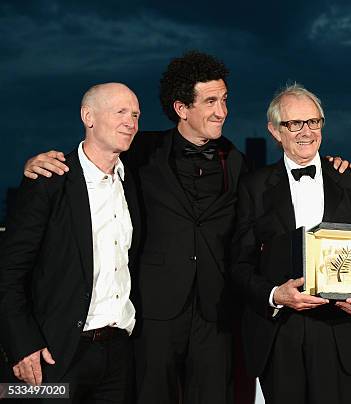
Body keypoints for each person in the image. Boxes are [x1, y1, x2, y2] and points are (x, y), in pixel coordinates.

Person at [22, 51, 247, 404]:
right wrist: (38, 162)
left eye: (224, 100)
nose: (222, 111)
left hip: (214, 315)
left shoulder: (236, 160)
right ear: (181, 108)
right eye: (210, 102)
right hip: (152, 315)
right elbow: (94, 154)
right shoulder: (141, 150)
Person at [230, 83, 351, 404]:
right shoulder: (253, 187)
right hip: (280, 334)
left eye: (313, 122)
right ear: (275, 131)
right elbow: (239, 264)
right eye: (294, 123)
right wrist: (274, 295)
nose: (306, 132)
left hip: (340, 331)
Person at [0, 83, 141, 403]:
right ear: (87, 116)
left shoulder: (132, 182)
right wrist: (22, 346)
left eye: (135, 115)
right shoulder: (49, 180)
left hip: (118, 355)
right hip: (55, 353)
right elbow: (8, 272)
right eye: (120, 112)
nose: (130, 122)